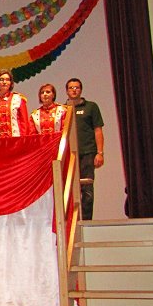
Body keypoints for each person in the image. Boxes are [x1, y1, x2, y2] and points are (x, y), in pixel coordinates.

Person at [66, 78, 104, 220]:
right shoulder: (63, 109)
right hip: (70, 155)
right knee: (70, 188)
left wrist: (100, 153)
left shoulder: (91, 107)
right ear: (67, 91)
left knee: (87, 188)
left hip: (88, 153)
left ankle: (87, 221)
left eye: (76, 87)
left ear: (81, 90)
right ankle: (72, 220)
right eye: (71, 88)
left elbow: (98, 130)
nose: (74, 90)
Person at [0, 70, 31, 139]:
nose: (4, 82)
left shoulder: (18, 99)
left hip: (16, 141)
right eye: (1, 80)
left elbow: (24, 123)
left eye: (7, 80)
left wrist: (24, 141)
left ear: (10, 83)